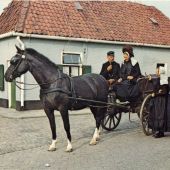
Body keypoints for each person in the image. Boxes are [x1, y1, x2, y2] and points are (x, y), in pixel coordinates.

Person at [148, 63, 169, 138]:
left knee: (160, 115)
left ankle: (161, 132)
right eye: (156, 70)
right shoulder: (157, 78)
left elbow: (163, 91)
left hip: (162, 101)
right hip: (156, 100)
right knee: (155, 114)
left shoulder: (164, 79)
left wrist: (155, 93)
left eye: (158, 70)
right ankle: (157, 130)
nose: (156, 71)